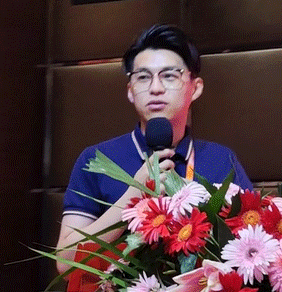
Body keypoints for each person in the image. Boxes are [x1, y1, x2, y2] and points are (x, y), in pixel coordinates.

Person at [55, 24, 253, 273]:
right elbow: (65, 264)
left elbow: (254, 246)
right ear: (130, 91)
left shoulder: (221, 160)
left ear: (195, 88)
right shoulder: (97, 160)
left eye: (169, 76)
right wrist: (132, 198)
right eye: (143, 77)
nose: (155, 88)